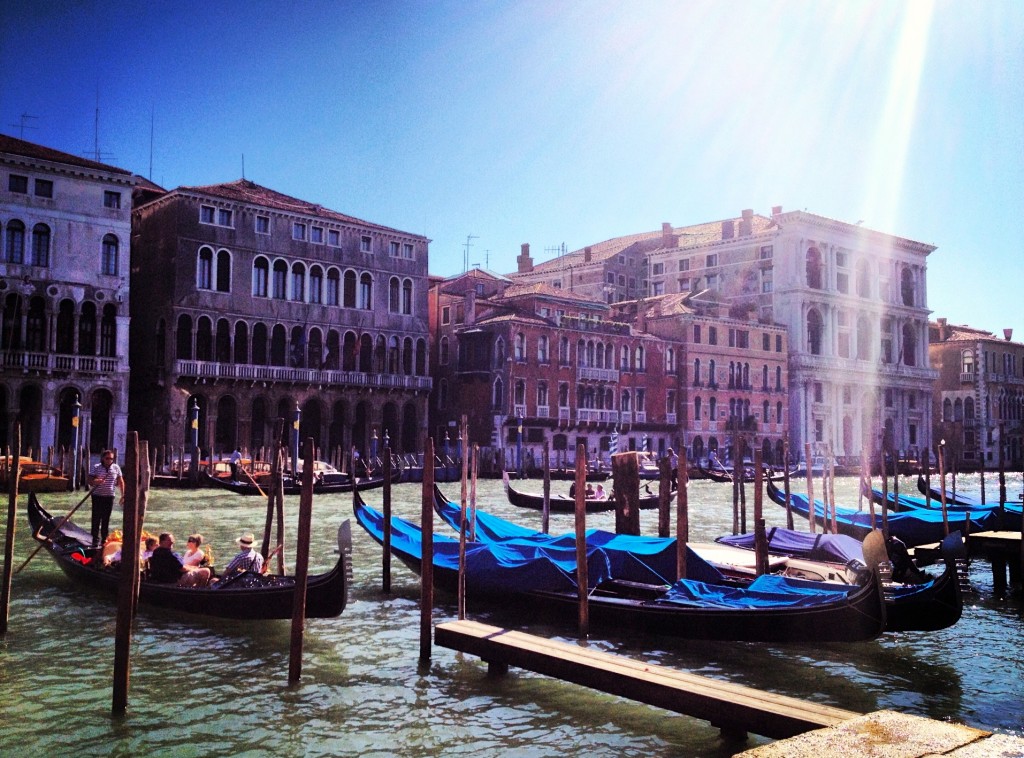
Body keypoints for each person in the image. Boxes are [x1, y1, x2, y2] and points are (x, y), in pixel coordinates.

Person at [88, 450, 125, 547]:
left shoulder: (116, 468)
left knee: (106, 518)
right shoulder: (96, 467)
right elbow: (90, 480)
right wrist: (97, 481)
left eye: (111, 459)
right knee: (96, 518)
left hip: (109, 497)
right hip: (97, 496)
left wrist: (123, 495)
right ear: (103, 459)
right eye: (107, 458)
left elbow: (121, 481)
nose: (109, 460)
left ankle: (104, 539)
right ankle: (94, 538)